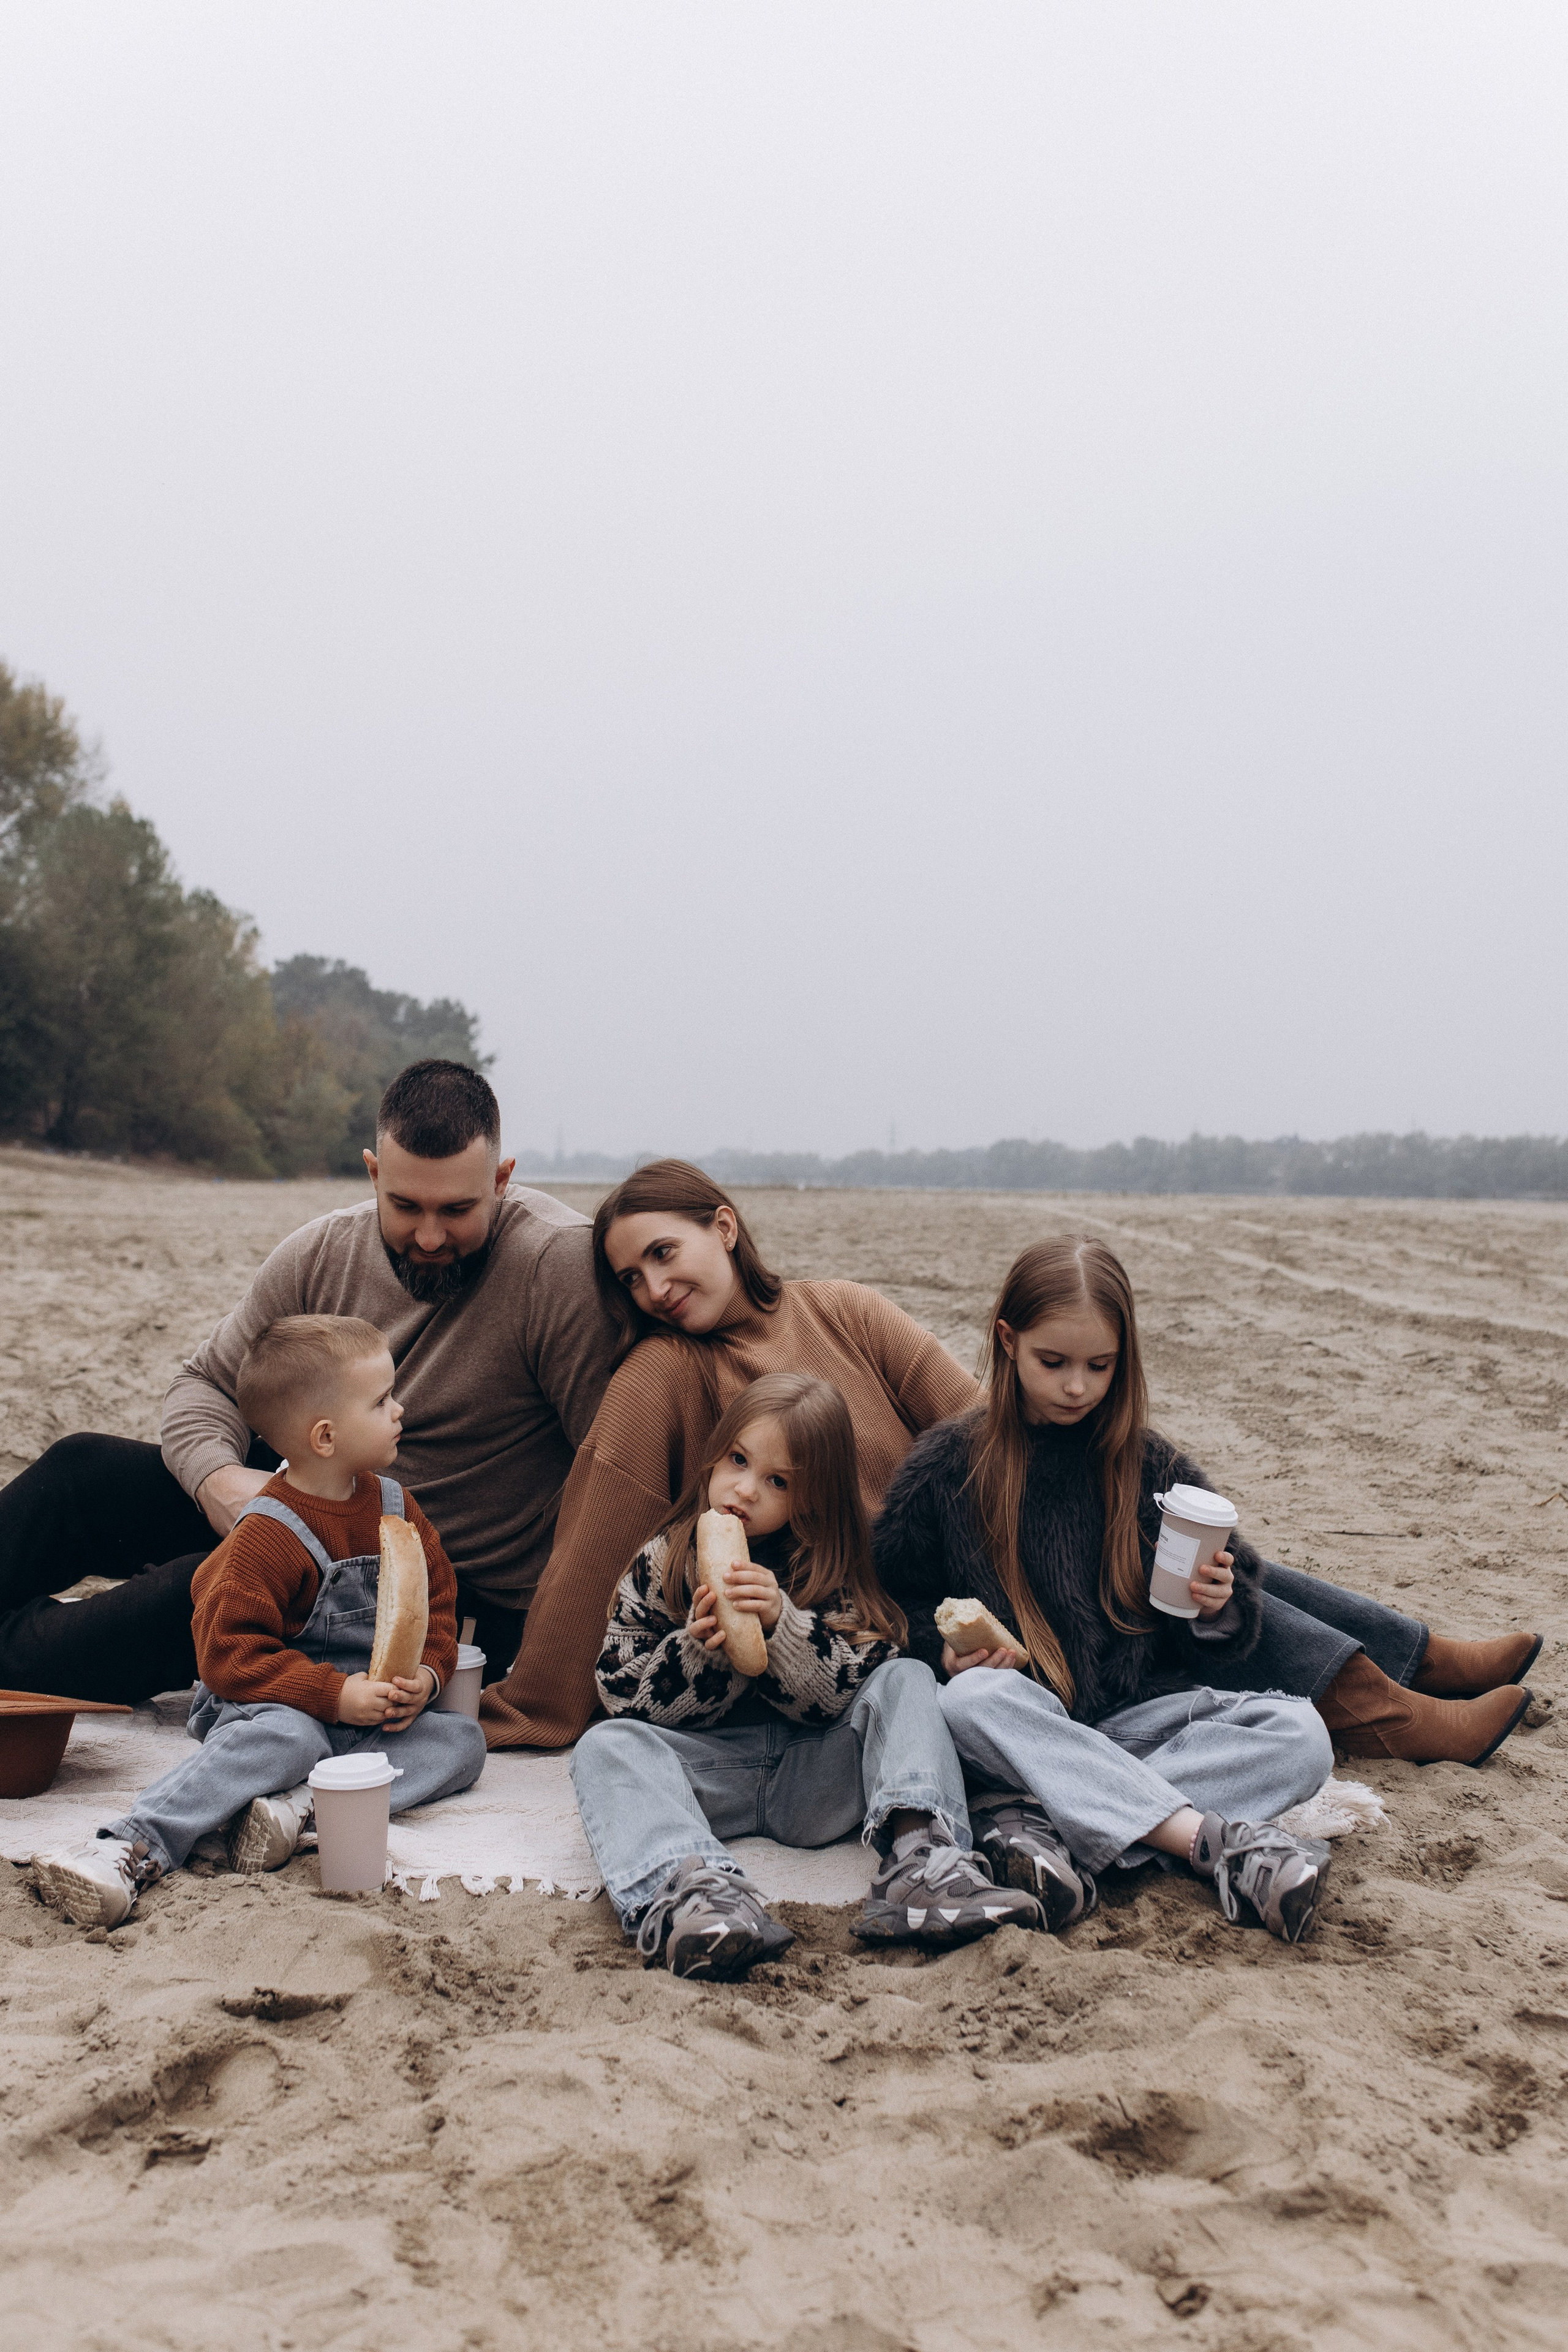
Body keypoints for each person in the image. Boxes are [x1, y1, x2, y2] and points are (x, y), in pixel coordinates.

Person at [0, 1060, 621, 1702]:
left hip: (423, 1593)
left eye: (457, 1209)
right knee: (81, 1470)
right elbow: (206, 1385)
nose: (430, 1236)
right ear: (374, 1174)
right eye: (405, 1206)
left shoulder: (557, 1268)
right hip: (298, 1506)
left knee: (201, 1593)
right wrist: (220, 1483)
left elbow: (615, 1472)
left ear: (501, 1180)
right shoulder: (323, 1253)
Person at [871, 1238, 1368, 1945]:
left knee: (1302, 1736)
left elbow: (1231, 1603)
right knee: (968, 1701)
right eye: (1054, 1363)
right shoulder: (948, 1466)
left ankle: (1043, 1823)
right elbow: (893, 1601)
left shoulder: (1152, 1466)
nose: (1077, 1387)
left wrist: (1217, 1605)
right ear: (1008, 1342)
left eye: (1098, 1366)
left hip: (1134, 1719)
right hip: (1019, 1722)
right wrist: (941, 1649)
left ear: (1122, 1357)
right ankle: (1209, 1843)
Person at [481, 1161, 981, 1749]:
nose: (655, 1290)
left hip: (925, 1624)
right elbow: (596, 1538)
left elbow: (987, 1435)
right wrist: (535, 1704)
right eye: (631, 1278)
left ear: (724, 1227)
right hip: (807, 1667)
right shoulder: (661, 1373)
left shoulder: (848, 1312)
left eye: (663, 1253)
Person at [571, 1371, 1047, 1977]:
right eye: (737, 1460)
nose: (745, 1490)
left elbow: (855, 1685)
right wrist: (701, 1652)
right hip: (710, 1779)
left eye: (778, 1482)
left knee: (906, 1678)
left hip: (818, 1776)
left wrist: (783, 1628)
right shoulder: (662, 1561)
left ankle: (921, 1860)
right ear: (713, 1455)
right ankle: (694, 1892)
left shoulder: (831, 1565)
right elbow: (618, 1693)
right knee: (604, 1746)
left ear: (812, 1498)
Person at [32, 1314, 486, 1928]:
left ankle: (299, 1808)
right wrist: (333, 1695)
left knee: (461, 1742)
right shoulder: (268, 1535)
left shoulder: (394, 1505)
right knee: (293, 1739)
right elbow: (227, 1657)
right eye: (381, 1401)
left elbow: (437, 1601)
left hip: (362, 1716)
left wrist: (427, 1678)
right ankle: (132, 1844)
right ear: (325, 1437)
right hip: (268, 1705)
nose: (399, 1409)